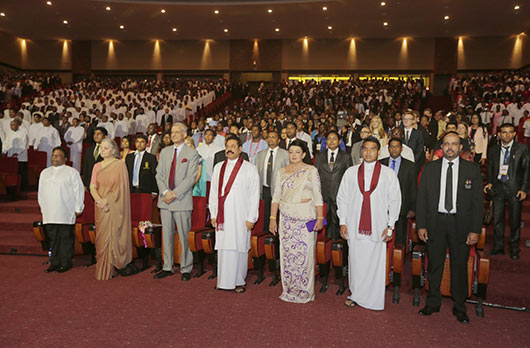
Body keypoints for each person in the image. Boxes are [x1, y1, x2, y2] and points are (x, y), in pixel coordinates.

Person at [416, 132, 483, 323]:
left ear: (461, 148)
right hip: (435, 223)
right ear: (441, 147)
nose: (450, 147)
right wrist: (421, 225)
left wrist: (475, 229)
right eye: (446, 144)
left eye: (454, 144)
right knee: (435, 264)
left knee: (459, 266)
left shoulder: (472, 170)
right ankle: (433, 302)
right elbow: (422, 199)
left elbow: (478, 203)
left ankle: (460, 306)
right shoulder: (429, 169)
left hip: (461, 225)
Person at [337, 136, 401, 310]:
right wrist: (342, 222)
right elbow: (342, 198)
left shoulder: (388, 173)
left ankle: (373, 299)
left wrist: (390, 226)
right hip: (354, 224)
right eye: (365, 148)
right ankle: (355, 294)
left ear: (379, 152)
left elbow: (395, 201)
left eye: (372, 148)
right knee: (355, 262)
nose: (368, 152)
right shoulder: (351, 172)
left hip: (378, 226)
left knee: (374, 264)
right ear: (361, 150)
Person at [269, 139, 324, 303]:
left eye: (297, 152)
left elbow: (318, 197)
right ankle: (289, 290)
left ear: (304, 154)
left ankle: (305, 292)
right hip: (286, 219)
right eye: (291, 152)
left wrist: (320, 218)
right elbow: (276, 197)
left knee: (304, 256)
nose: (293, 155)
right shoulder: (281, 172)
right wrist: (273, 218)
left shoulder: (311, 170)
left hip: (305, 218)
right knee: (288, 256)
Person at [209, 136, 260, 293]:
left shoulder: (249, 168)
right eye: (227, 146)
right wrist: (213, 213)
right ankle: (223, 281)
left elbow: (254, 195)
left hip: (240, 216)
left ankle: (238, 281)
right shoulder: (218, 167)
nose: (229, 149)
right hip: (222, 217)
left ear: (240, 149)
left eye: (233, 146)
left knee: (239, 248)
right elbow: (213, 192)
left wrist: (251, 218)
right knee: (224, 248)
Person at [154, 123, 200, 280]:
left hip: (181, 200)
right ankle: (167, 266)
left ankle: (186, 268)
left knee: (183, 235)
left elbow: (190, 178)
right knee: (166, 235)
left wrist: (174, 194)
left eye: (176, 132)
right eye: (172, 132)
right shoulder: (165, 152)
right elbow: (158, 175)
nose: (173, 135)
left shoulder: (192, 153)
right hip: (165, 201)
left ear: (184, 134)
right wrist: (166, 192)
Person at [90, 138, 137, 280]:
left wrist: (107, 201)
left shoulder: (119, 165)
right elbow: (92, 186)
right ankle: (104, 267)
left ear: (113, 150)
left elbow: (121, 189)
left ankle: (116, 264)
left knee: (115, 234)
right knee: (102, 237)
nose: (102, 150)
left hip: (114, 206)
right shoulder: (97, 166)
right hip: (100, 207)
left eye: (105, 148)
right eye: (101, 148)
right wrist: (99, 200)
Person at [484, 123, 530, 260]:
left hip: (515, 189)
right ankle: (498, 247)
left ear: (515, 134)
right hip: (498, 188)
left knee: (515, 221)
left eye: (510, 132)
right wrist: (490, 182)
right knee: (497, 220)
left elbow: (527, 170)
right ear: (499, 134)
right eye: (504, 132)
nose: (507, 135)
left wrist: (524, 189)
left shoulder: (522, 149)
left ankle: (514, 249)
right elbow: (491, 167)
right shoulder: (493, 149)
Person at [38, 147, 84, 273]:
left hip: (66, 210)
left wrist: (78, 207)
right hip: (49, 212)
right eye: (53, 155)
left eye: (58, 155)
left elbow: (78, 191)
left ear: (65, 158)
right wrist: (43, 208)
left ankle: (65, 262)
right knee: (53, 239)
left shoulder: (72, 172)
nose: (54, 158)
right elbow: (41, 193)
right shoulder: (45, 173)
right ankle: (54, 262)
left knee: (65, 238)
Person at [315, 130, 353, 241]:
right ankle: (324, 251)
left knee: (338, 224)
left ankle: (338, 250)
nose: (331, 141)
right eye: (329, 139)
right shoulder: (319, 156)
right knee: (324, 223)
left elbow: (349, 178)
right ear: (326, 141)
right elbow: (316, 176)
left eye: (334, 139)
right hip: (324, 196)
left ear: (339, 141)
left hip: (339, 196)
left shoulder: (346, 156)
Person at [380, 138, 416, 247]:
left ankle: (397, 262)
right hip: (382, 208)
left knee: (399, 240)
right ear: (388, 148)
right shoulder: (381, 164)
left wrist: (413, 208)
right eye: (392, 146)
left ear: (401, 149)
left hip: (402, 208)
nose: (394, 149)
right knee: (382, 237)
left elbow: (413, 188)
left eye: (397, 146)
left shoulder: (410, 166)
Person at [255, 130, 289, 232]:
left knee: (277, 215)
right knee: (265, 214)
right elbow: (257, 172)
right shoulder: (261, 154)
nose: (271, 139)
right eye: (269, 137)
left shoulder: (285, 154)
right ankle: (265, 237)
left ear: (278, 140)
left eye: (273, 137)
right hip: (264, 189)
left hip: (279, 191)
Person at [2, 119, 28, 191]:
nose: (11, 126)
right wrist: (3, 151)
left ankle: (22, 189)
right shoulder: (9, 133)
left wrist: (17, 153)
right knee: (12, 173)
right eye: (10, 125)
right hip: (11, 156)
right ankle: (11, 189)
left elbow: (23, 145)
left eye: (13, 125)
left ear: (17, 125)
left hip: (20, 157)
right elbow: (6, 143)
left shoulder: (23, 133)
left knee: (21, 173)